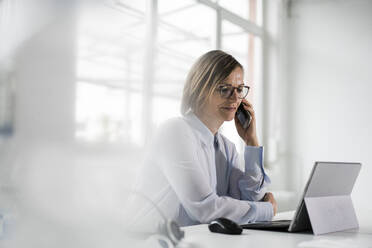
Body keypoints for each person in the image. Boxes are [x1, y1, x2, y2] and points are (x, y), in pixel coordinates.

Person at [130, 50, 277, 227]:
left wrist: (251, 141)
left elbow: (248, 199)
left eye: (239, 89)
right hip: (148, 242)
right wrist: (266, 209)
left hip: (195, 240)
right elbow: (205, 209)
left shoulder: (226, 147)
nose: (235, 97)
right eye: (224, 89)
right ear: (200, 90)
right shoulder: (175, 131)